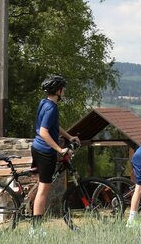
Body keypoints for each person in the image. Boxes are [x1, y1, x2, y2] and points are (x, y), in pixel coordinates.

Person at [30, 74, 79, 236]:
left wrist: (68, 136)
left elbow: (53, 126)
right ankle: (35, 230)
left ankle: (31, 215)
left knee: (41, 186)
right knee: (44, 189)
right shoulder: (51, 108)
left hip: (37, 148)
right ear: (58, 91)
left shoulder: (44, 103)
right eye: (62, 89)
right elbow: (44, 132)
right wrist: (60, 149)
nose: (63, 91)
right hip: (45, 151)